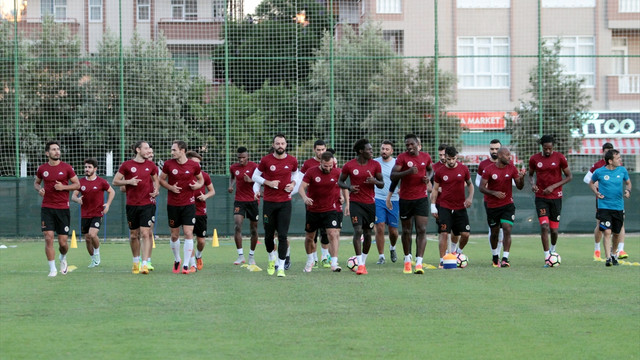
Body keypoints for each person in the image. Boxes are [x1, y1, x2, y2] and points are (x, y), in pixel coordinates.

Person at [252, 134, 299, 277]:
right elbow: (255, 176)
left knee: (283, 236)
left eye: (282, 143)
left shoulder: (292, 160)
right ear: (273, 145)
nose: (280, 146)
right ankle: (271, 259)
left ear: (286, 145)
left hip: (285, 203)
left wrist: (292, 184)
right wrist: (268, 183)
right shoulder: (266, 160)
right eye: (277, 143)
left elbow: (296, 175)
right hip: (269, 204)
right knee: (268, 236)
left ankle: (281, 267)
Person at [34, 141, 81, 277]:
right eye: (54, 150)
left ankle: (62, 257)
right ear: (47, 153)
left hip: (62, 209)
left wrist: (64, 188)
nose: (57, 152)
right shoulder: (42, 169)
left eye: (58, 149)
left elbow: (77, 185)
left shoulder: (67, 168)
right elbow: (36, 183)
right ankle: (53, 269)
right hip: (47, 208)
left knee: (63, 243)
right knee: (48, 238)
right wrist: (39, 189)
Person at [388, 134, 433, 274]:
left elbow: (431, 169)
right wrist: (408, 171)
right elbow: (393, 176)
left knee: (422, 229)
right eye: (407, 145)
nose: (409, 147)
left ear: (417, 144)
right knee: (407, 231)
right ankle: (407, 260)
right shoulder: (402, 158)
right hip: (406, 199)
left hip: (421, 198)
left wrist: (428, 178)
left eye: (411, 144)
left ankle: (419, 263)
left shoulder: (426, 157)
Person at [112, 141, 159, 274]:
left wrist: (156, 190)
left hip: (147, 204)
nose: (148, 150)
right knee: (134, 235)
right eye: (146, 148)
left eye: (149, 148)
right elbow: (115, 181)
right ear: (138, 150)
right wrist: (129, 181)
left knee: (145, 233)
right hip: (132, 205)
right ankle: (135, 261)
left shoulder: (151, 165)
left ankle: (145, 264)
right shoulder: (126, 165)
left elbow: (156, 180)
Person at [338, 139, 384, 275]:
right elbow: (340, 181)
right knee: (357, 231)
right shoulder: (349, 166)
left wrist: (374, 181)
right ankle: (360, 265)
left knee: (368, 233)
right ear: (361, 151)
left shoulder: (375, 165)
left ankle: (363, 261)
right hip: (356, 203)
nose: (371, 151)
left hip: (370, 204)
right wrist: (349, 187)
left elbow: (381, 184)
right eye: (369, 149)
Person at [159, 140, 204, 275]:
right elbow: (161, 180)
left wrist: (197, 186)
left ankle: (185, 264)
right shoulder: (168, 164)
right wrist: (170, 187)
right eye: (172, 150)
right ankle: (177, 259)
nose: (172, 152)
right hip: (173, 205)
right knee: (174, 235)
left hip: (189, 204)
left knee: (189, 233)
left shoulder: (194, 165)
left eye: (174, 150)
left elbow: (201, 180)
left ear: (182, 150)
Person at [527, 135, 573, 265]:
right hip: (541, 198)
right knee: (544, 226)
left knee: (554, 230)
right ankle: (547, 256)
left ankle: (553, 249)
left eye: (550, 149)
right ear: (542, 147)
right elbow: (530, 175)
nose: (547, 151)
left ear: (553, 147)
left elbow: (569, 176)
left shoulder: (559, 157)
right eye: (545, 148)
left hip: (556, 198)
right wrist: (533, 184)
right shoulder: (534, 159)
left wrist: (554, 186)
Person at [479, 147, 525, 267]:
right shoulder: (489, 169)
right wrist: (494, 193)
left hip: (507, 205)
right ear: (499, 156)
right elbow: (481, 187)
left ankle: (505, 258)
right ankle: (495, 256)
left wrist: (522, 178)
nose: (509, 157)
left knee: (507, 228)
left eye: (510, 155)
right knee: (494, 233)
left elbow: (520, 186)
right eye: (506, 155)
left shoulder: (512, 168)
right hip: (493, 206)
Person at [299, 151, 344, 272]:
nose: (328, 168)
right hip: (313, 210)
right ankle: (310, 260)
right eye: (325, 166)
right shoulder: (311, 172)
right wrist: (305, 198)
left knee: (333, 234)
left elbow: (341, 186)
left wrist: (342, 196)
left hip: (330, 209)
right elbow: (301, 187)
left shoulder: (337, 172)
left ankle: (334, 263)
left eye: (330, 165)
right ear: (321, 162)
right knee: (310, 237)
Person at [583, 142, 628, 260]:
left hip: (617, 202)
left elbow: (626, 181)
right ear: (603, 152)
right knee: (601, 226)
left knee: (620, 225)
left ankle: (620, 250)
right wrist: (596, 185)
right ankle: (597, 249)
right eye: (606, 151)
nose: (608, 153)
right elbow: (587, 179)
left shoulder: (619, 166)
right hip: (603, 201)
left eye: (610, 151)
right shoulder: (598, 166)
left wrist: (627, 190)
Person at [430, 146, 474, 267]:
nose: (450, 161)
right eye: (448, 159)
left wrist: (469, 198)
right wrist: (433, 206)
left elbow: (470, 185)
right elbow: (434, 189)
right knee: (444, 233)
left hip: (460, 207)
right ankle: (442, 260)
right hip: (445, 207)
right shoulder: (440, 171)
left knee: (465, 234)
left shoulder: (463, 169)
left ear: (456, 157)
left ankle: (458, 252)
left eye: (453, 159)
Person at [71, 158, 115, 268]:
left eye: (89, 167)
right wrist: (78, 200)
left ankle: (97, 253)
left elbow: (112, 191)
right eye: (86, 167)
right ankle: (93, 259)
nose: (87, 169)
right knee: (87, 239)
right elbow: (73, 196)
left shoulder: (101, 182)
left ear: (95, 169)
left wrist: (108, 204)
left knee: (92, 234)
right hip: (85, 214)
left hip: (97, 213)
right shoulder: (80, 182)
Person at [298, 140, 332, 267]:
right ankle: (314, 258)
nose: (321, 152)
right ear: (314, 150)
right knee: (313, 232)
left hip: (327, 204)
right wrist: (305, 196)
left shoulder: (331, 162)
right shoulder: (308, 164)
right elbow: (300, 180)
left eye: (323, 149)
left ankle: (325, 256)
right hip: (312, 204)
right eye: (318, 150)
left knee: (326, 231)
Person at [228, 146, 259, 266]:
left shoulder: (255, 167)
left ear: (248, 157)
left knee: (253, 229)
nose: (241, 160)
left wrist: (250, 180)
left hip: (253, 200)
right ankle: (240, 255)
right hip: (239, 200)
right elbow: (232, 177)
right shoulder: (233, 167)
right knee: (237, 225)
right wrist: (231, 185)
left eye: (243, 158)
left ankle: (251, 256)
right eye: (239, 158)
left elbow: (260, 180)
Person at [186, 151, 215, 271]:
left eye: (199, 164)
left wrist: (205, 196)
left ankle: (198, 255)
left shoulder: (204, 176)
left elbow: (212, 191)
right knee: (189, 237)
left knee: (201, 241)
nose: (197, 166)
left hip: (201, 212)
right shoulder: (185, 175)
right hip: (187, 210)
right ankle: (192, 264)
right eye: (195, 163)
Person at [475, 139, 504, 252]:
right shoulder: (483, 164)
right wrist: (487, 189)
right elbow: (477, 181)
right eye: (492, 149)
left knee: (503, 229)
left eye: (497, 149)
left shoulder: (506, 163)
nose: (494, 151)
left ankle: (500, 254)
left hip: (504, 201)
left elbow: (512, 180)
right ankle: (494, 255)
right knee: (493, 229)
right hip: (489, 201)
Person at [374, 140, 400, 265]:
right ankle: (381, 256)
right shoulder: (375, 162)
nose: (384, 151)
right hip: (378, 198)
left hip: (394, 199)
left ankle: (392, 248)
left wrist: (402, 189)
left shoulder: (397, 163)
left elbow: (404, 178)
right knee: (379, 227)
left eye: (387, 149)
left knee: (393, 231)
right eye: (383, 148)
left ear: (392, 151)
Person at [431, 143, 460, 254]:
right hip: (440, 203)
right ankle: (443, 257)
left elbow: (466, 182)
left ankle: (453, 251)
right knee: (443, 231)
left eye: (444, 155)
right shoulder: (434, 167)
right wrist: (437, 190)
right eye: (440, 155)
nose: (442, 157)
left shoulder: (458, 166)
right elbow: (431, 186)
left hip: (456, 203)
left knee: (456, 231)